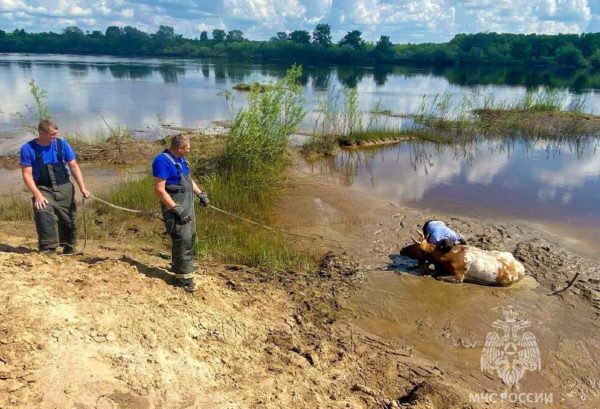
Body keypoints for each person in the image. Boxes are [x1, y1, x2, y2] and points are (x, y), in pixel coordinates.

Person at [20, 119, 90, 254]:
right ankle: (48, 247)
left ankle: (69, 246)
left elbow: (73, 166)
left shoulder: (62, 144)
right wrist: (37, 194)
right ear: (41, 133)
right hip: (43, 188)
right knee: (43, 211)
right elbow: (27, 174)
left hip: (64, 186)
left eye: (55, 134)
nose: (54, 137)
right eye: (52, 134)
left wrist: (83, 188)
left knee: (68, 217)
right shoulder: (28, 148)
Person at [152, 135, 209, 293]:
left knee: (189, 236)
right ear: (179, 148)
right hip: (175, 206)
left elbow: (188, 180)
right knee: (181, 238)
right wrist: (176, 208)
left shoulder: (181, 160)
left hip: (187, 204)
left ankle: (180, 266)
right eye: (187, 149)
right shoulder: (162, 161)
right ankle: (184, 279)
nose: (188, 152)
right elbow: (159, 189)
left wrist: (200, 194)